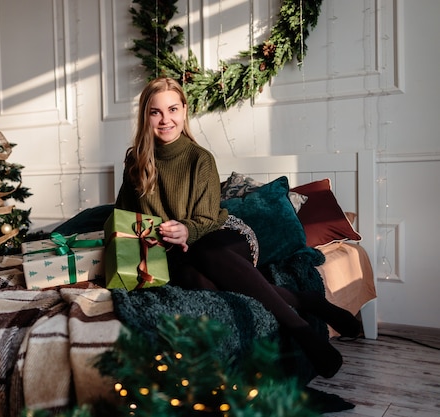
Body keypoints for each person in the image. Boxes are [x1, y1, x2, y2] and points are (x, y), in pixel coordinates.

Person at [115, 77, 360, 378]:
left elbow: (206, 218)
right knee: (193, 279)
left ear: (184, 111)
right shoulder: (135, 162)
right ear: (145, 116)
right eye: (156, 112)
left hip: (218, 236)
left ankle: (303, 332)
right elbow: (124, 216)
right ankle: (302, 300)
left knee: (204, 252)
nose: (166, 119)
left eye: (173, 109)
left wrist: (185, 230)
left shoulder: (199, 158)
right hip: (173, 251)